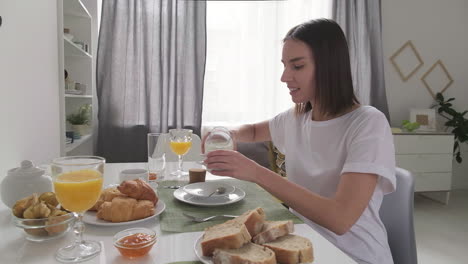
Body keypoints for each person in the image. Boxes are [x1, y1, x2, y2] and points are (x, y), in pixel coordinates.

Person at [203, 19, 396, 264]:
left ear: (330, 66)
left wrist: (256, 173)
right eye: (284, 65)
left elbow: (340, 219)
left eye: (297, 66)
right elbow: (251, 131)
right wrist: (224, 133)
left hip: (353, 255)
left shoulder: (368, 123)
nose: (285, 77)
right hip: (301, 244)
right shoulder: (296, 119)